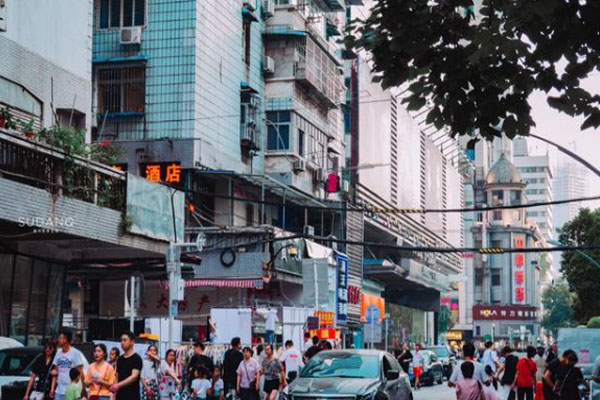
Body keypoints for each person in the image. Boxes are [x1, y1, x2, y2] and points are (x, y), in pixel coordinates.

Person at [50, 330, 85, 400]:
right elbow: (55, 371)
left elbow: (81, 373)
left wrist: (83, 390)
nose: (58, 340)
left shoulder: (75, 353)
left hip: (71, 390)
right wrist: (52, 388)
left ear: (65, 339)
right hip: (59, 390)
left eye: (60, 338)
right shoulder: (58, 353)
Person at [110, 331, 143, 400]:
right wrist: (114, 393)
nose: (122, 342)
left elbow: (134, 376)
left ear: (132, 342)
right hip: (120, 396)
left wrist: (118, 385)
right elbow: (117, 377)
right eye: (121, 340)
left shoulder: (137, 358)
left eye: (125, 340)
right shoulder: (120, 359)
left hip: (132, 396)